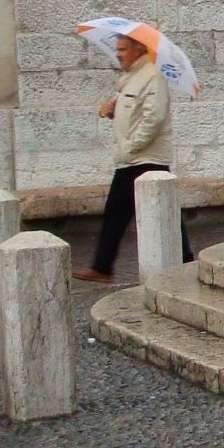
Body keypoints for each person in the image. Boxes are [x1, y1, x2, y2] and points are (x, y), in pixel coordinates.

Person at [73, 33, 193, 283]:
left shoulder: (153, 77)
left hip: (145, 158)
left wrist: (131, 145)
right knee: (125, 213)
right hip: (132, 158)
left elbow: (154, 118)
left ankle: (103, 267)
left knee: (144, 212)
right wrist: (106, 109)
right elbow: (130, 111)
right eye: (117, 48)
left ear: (138, 49)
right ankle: (103, 267)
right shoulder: (131, 78)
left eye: (123, 49)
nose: (118, 53)